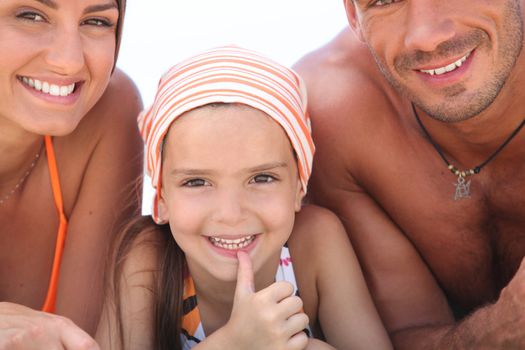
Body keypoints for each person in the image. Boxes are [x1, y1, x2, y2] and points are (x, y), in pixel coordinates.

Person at [95, 46, 392, 350]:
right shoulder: (148, 258)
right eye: (197, 182)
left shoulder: (315, 242)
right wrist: (234, 343)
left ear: (299, 186)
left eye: (261, 178)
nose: (231, 213)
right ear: (161, 199)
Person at [293, 0, 525, 348]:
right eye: (385, 1)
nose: (427, 37)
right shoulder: (332, 113)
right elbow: (402, 336)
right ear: (354, 15)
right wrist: (502, 325)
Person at [0, 0, 142, 348]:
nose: (69, 61)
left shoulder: (109, 112)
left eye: (96, 21)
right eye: (30, 15)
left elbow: (85, 344)